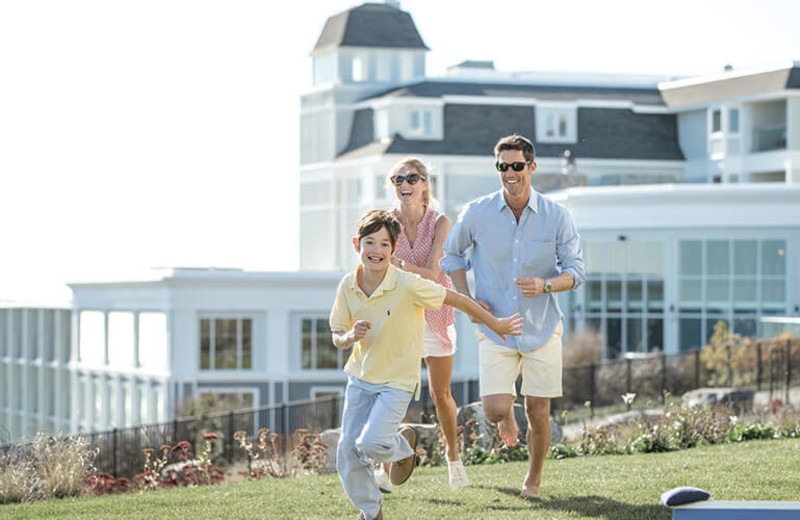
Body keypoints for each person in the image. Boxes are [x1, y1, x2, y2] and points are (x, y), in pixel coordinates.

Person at [331, 209, 523, 520]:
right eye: (370, 243)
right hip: (359, 379)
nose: (376, 251)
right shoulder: (347, 286)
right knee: (347, 450)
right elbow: (337, 334)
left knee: (371, 443)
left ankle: (402, 447)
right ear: (357, 245)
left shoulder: (408, 284)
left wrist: (494, 323)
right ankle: (371, 512)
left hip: (396, 382)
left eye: (384, 244)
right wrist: (350, 335)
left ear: (394, 251)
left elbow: (455, 300)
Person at [439, 134, 585, 498]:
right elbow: (451, 255)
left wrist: (546, 285)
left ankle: (532, 480)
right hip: (496, 328)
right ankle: (506, 413)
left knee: (538, 409)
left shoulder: (557, 216)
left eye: (517, 166)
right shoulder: (477, 212)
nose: (509, 173)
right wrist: (468, 301)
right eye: (502, 166)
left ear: (531, 168)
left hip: (542, 327)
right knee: (493, 409)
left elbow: (576, 272)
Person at [368, 158, 467, 491]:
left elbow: (432, 273)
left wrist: (394, 263)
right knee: (393, 392)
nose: (404, 183)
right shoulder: (386, 222)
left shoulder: (440, 223)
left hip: (436, 315)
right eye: (398, 178)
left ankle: (454, 460)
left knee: (441, 395)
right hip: (401, 318)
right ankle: (385, 470)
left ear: (425, 183)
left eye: (412, 177)